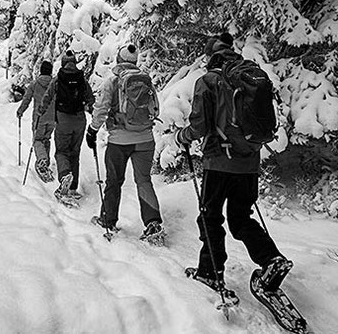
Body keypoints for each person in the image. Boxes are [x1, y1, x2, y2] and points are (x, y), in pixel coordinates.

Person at [174, 33, 290, 291]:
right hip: (248, 162)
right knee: (240, 218)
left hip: (218, 162)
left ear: (209, 56)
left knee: (210, 217)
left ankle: (210, 272)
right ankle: (272, 259)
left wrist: (182, 136)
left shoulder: (208, 81)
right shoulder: (249, 76)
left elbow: (200, 125)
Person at [86, 43, 165, 243]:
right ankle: (153, 223)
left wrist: (92, 130)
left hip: (119, 141)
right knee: (144, 181)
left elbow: (101, 108)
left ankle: (108, 220)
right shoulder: (145, 80)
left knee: (114, 181)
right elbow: (155, 108)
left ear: (119, 60)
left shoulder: (112, 81)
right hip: (146, 140)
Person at [43, 51, 95, 202]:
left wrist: (41, 110)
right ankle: (72, 187)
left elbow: (47, 96)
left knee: (61, 152)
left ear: (64, 63)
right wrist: (93, 113)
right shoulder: (82, 79)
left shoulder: (58, 79)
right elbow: (90, 98)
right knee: (75, 153)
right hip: (80, 120)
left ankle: (65, 174)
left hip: (63, 120)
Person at [16, 61, 56, 182]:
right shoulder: (55, 84)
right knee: (46, 139)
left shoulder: (35, 84)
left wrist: (20, 111)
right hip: (52, 118)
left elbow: (26, 99)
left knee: (37, 139)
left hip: (39, 118)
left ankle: (42, 160)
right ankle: (46, 162)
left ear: (41, 71)